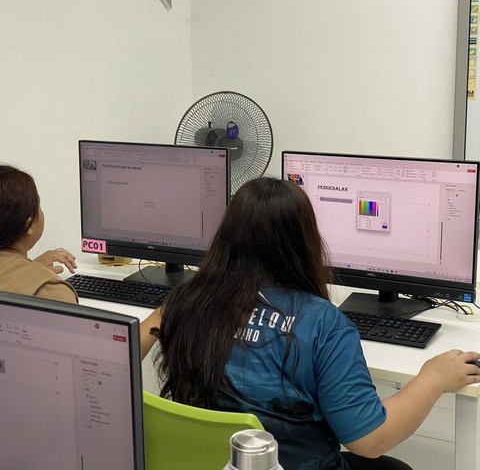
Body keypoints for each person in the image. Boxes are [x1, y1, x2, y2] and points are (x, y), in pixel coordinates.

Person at [142, 177, 480, 470]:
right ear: (304, 241)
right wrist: (434, 379)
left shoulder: (184, 301)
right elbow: (370, 440)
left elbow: (126, 352)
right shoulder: (323, 323)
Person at [0, 164, 78, 304]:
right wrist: (37, 274)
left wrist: (31, 268)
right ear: (28, 225)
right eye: (38, 206)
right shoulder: (53, 293)